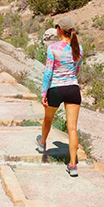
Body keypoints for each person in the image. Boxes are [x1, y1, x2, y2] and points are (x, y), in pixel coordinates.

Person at [37, 17, 83, 176]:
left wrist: (44, 92)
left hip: (56, 88)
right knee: (72, 129)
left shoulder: (53, 48)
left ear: (59, 30)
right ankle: (72, 165)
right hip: (72, 88)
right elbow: (77, 71)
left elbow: (48, 72)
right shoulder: (78, 48)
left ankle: (42, 142)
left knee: (48, 119)